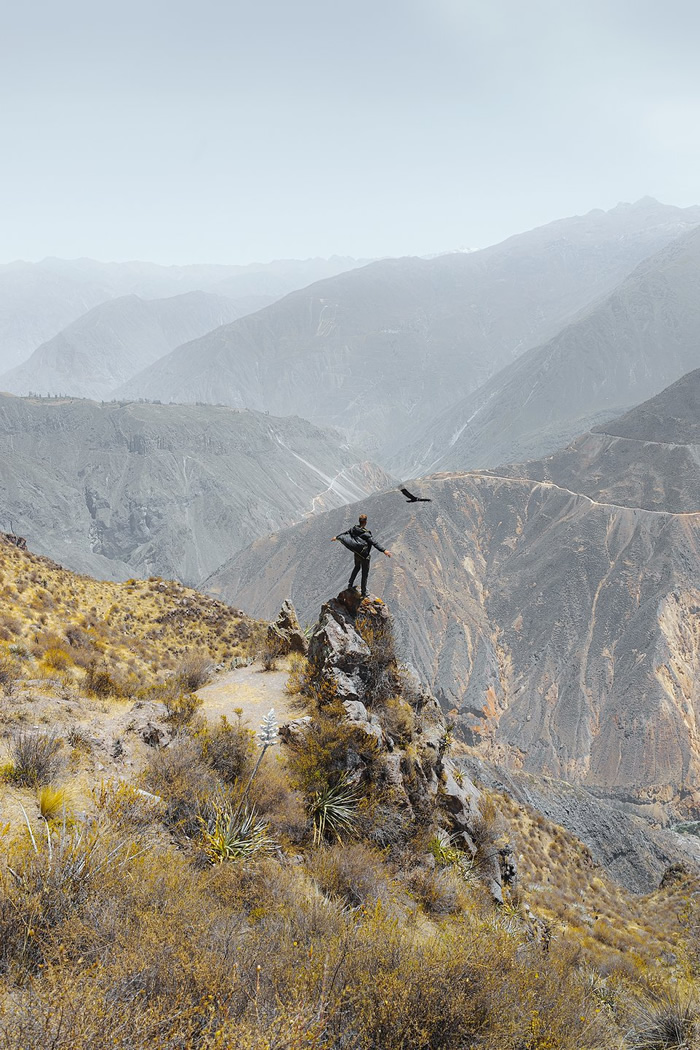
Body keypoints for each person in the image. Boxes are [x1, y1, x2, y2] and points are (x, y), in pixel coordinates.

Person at [331, 513, 392, 597]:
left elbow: (346, 533)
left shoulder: (354, 529)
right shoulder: (366, 534)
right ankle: (364, 592)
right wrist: (384, 550)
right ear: (365, 522)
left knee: (356, 567)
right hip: (364, 557)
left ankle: (350, 584)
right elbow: (375, 543)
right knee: (364, 573)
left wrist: (337, 537)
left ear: (359, 521)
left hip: (357, 554)